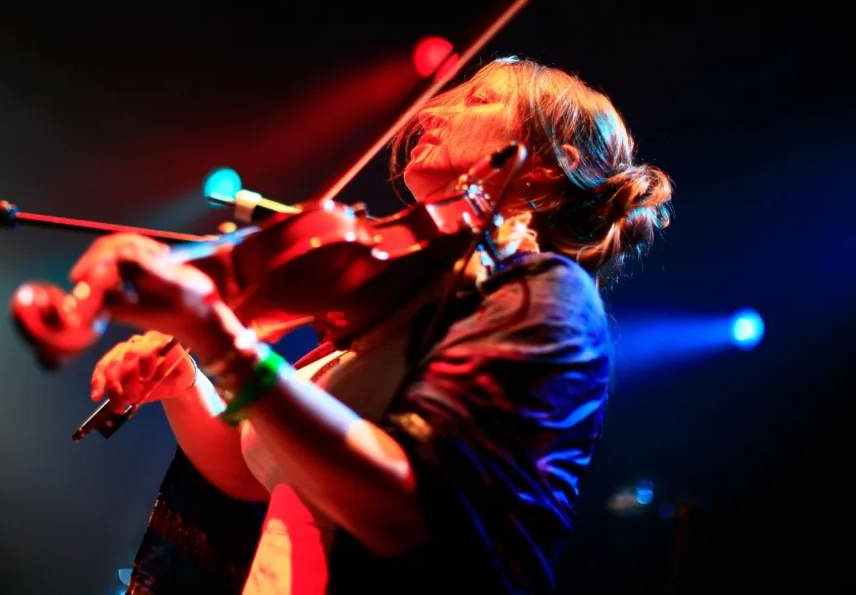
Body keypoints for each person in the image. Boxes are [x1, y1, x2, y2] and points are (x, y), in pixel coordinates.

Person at [75, 56, 673, 594]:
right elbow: (259, 470)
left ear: (549, 167)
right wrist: (188, 382)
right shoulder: (403, 301)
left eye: (479, 100)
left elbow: (402, 510)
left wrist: (222, 341)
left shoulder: (545, 296)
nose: (434, 112)